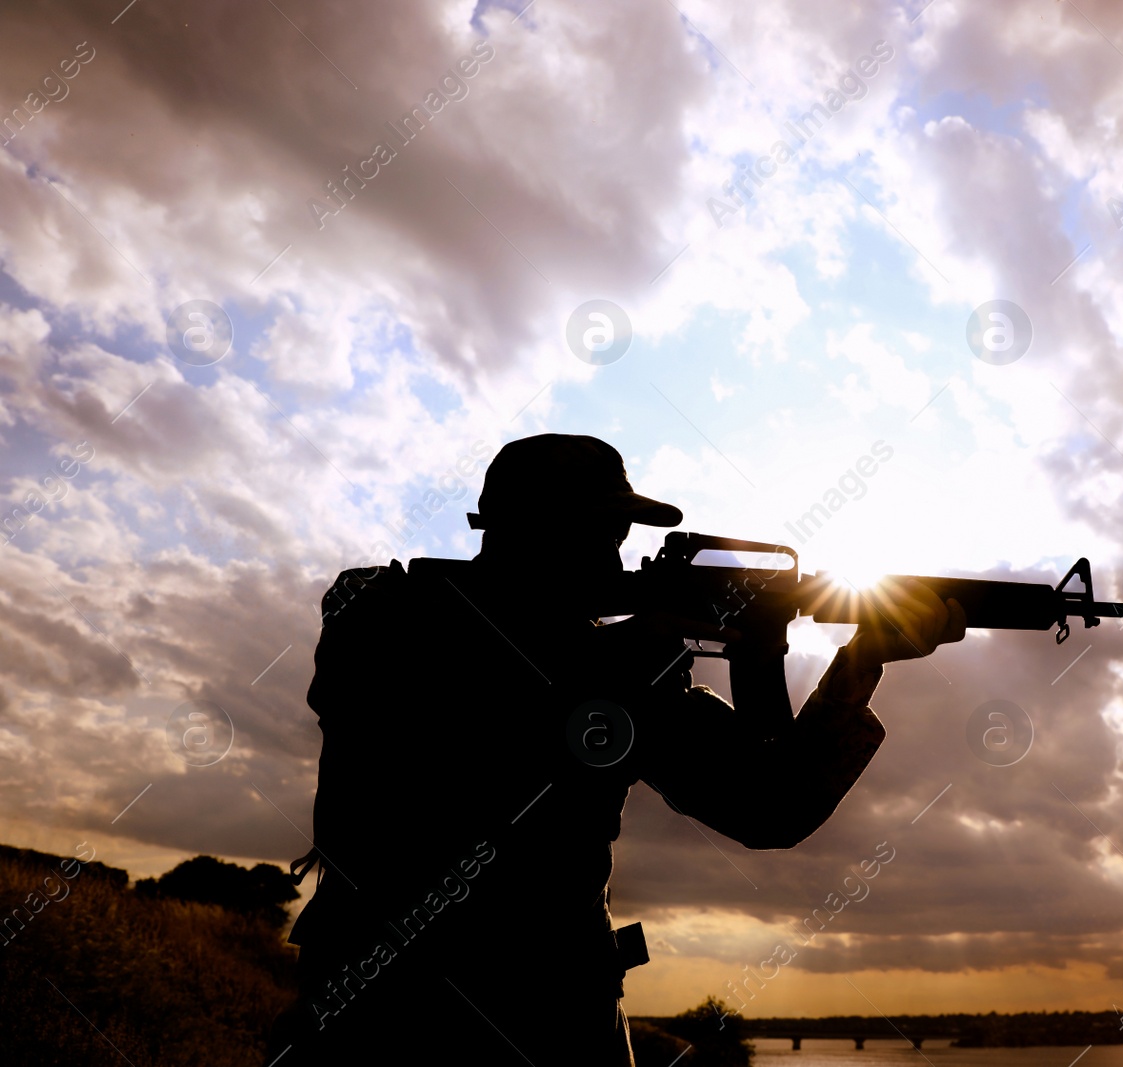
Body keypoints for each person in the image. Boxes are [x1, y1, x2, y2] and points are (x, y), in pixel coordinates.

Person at [265, 433, 965, 1064]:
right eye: (603, 530)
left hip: (546, 1019)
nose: (617, 554)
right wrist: (617, 652)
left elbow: (769, 805)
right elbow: (437, 711)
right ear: (531, 528)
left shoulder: (623, 667)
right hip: (399, 1013)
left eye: (621, 533)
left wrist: (859, 662)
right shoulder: (385, 614)